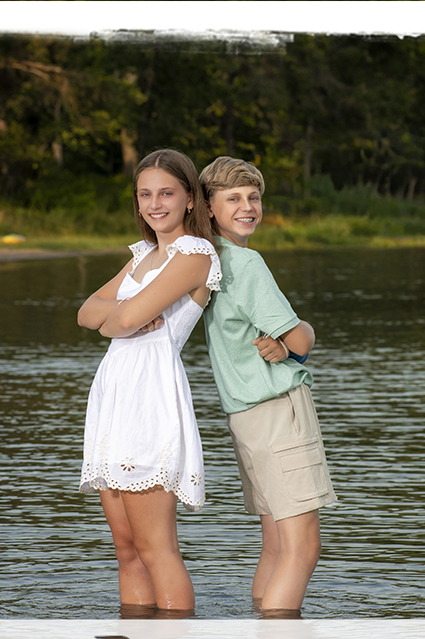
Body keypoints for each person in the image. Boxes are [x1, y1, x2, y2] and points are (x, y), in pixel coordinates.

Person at [78, 149, 221, 612]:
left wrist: (118, 317)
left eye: (167, 193)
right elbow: (87, 313)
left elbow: (119, 320)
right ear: (136, 202)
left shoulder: (195, 255)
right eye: (145, 194)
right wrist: (120, 317)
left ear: (190, 200)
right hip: (114, 398)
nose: (155, 203)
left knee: (157, 549)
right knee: (127, 550)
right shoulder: (143, 256)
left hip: (149, 398)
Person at [199, 156, 337, 614]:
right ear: (210, 208)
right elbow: (300, 338)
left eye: (253, 197)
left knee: (276, 544)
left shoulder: (205, 260)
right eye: (233, 198)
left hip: (243, 417)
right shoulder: (246, 262)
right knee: (302, 548)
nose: (247, 206)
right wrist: (304, 336)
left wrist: (286, 343)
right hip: (278, 410)